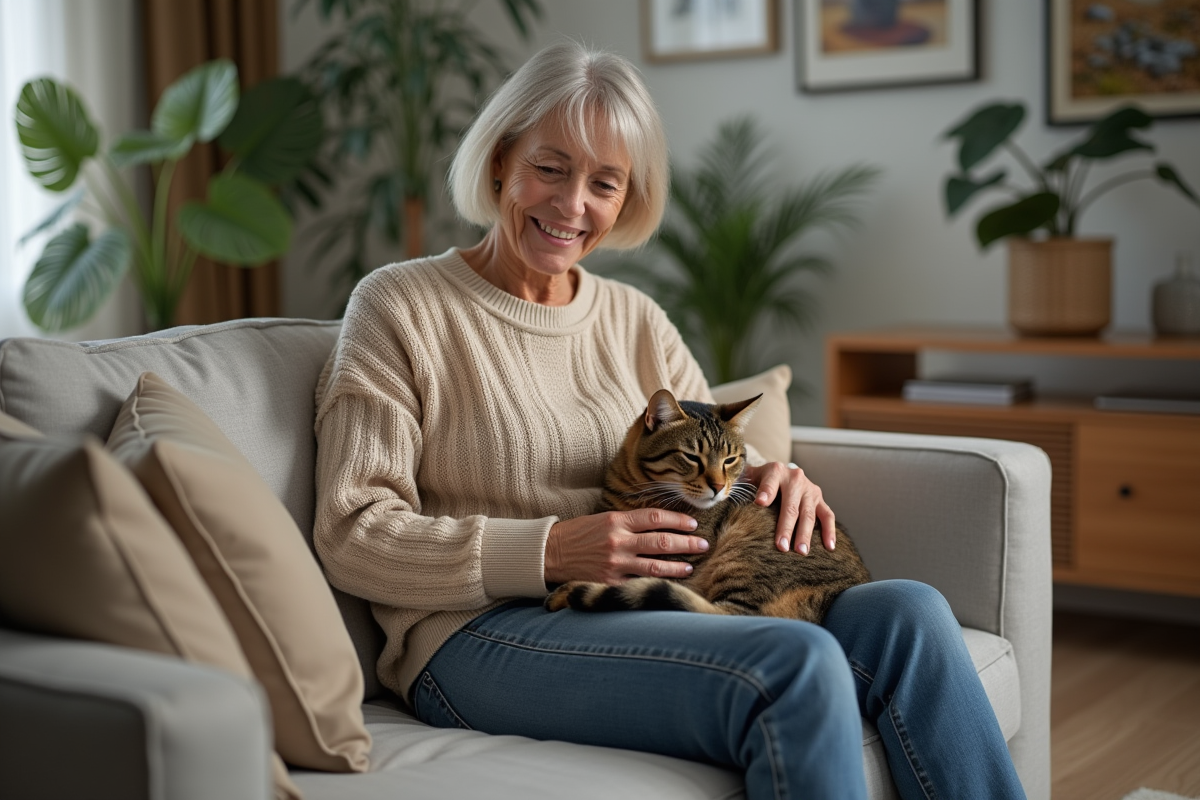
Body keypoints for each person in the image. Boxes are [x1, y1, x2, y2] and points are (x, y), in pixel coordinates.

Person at [313, 41, 1026, 800]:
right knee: (795, 661)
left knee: (911, 613)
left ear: (628, 198)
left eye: (604, 183)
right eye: (549, 168)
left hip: (647, 605)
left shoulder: (635, 319)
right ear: (499, 161)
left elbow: (710, 451)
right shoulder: (399, 306)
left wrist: (768, 480)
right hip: (475, 636)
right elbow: (352, 533)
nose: (572, 205)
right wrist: (550, 549)